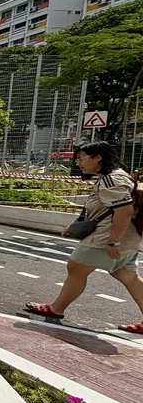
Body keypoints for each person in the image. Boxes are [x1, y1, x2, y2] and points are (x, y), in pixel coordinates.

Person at [25, 142, 143, 333]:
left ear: (98, 157)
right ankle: (57, 307)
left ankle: (57, 308)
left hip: (107, 237)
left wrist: (114, 241)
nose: (78, 163)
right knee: (127, 275)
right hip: (128, 238)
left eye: (81, 158)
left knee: (76, 266)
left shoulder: (112, 180)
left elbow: (124, 211)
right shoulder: (116, 177)